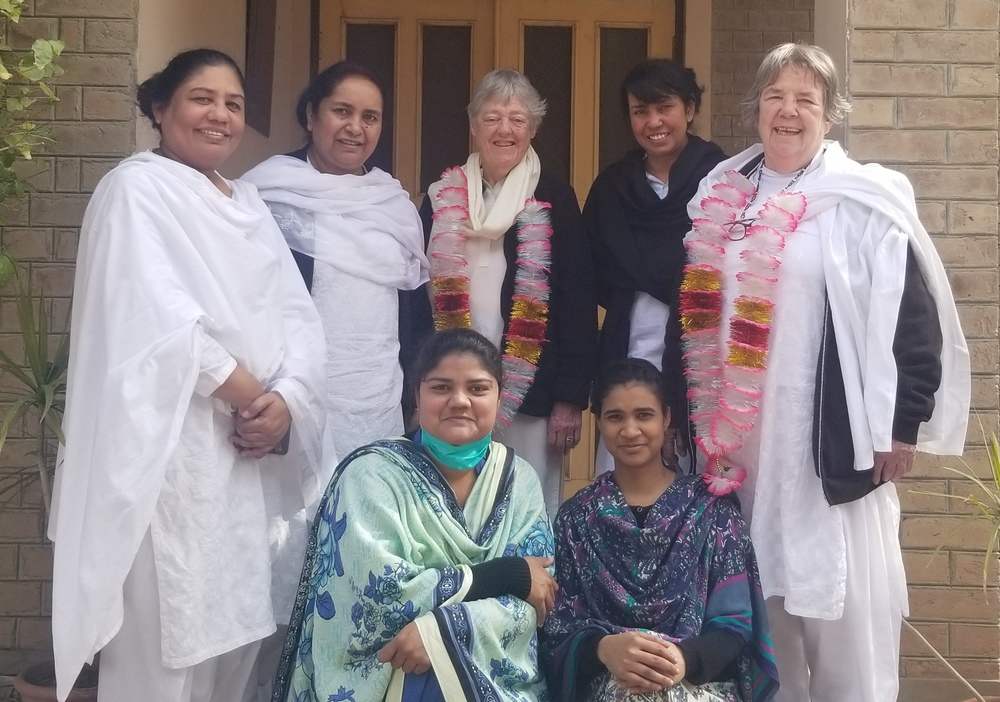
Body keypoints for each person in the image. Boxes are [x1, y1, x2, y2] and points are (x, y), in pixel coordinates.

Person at [678, 43, 970, 702]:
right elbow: (696, 314)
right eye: (777, 96)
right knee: (760, 608)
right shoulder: (721, 194)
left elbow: (911, 319)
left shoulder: (864, 197)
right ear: (756, 107)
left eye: (806, 99)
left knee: (844, 619)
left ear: (830, 115)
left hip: (830, 443)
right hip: (744, 446)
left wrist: (903, 424)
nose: (788, 111)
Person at [48, 49, 327, 702]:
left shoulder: (251, 201)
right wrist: (258, 398)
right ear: (159, 107)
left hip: (246, 459)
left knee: (235, 641)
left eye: (233, 103)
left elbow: (299, 318)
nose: (220, 115)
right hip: (168, 455)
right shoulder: (136, 188)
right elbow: (158, 321)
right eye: (202, 98)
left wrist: (287, 400)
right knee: (163, 652)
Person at [273, 329, 557, 702]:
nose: (459, 401)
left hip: (492, 673)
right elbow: (379, 596)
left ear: (499, 397)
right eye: (441, 388)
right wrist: (503, 575)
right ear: (417, 398)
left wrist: (442, 631)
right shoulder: (373, 475)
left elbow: (537, 595)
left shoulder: (519, 479)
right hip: (386, 671)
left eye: (477, 388)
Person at [543, 359, 778, 702]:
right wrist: (604, 649)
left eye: (644, 415)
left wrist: (683, 660)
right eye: (615, 417)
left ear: (666, 418)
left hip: (700, 684)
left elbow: (734, 626)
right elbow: (558, 630)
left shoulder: (712, 511)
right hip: (609, 684)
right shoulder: (577, 518)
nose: (630, 430)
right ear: (599, 423)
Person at [419, 69, 597, 516]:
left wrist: (570, 398)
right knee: (451, 501)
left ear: (533, 130)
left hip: (532, 391)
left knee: (525, 501)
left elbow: (577, 297)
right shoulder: (442, 196)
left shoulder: (554, 196)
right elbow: (415, 296)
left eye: (518, 119)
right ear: (474, 127)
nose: (505, 130)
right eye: (493, 118)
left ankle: (528, 583)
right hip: (452, 386)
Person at [244, 61, 430, 458]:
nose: (356, 128)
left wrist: (418, 398)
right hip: (289, 402)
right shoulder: (266, 194)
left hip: (378, 402)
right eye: (342, 111)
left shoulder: (393, 204)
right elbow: (245, 305)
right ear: (312, 115)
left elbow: (415, 318)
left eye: (370, 117)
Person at [585, 59, 726, 475]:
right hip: (626, 358)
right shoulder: (612, 188)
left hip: (701, 367)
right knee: (622, 486)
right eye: (640, 111)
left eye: (664, 107)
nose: (653, 122)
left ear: (690, 109)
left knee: (693, 494)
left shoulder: (721, 182)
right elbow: (592, 277)